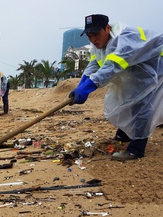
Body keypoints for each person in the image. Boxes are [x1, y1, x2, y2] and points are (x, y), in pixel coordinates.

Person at [69, 14, 163, 161]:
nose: (93, 40)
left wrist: (88, 87)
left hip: (155, 63)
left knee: (143, 102)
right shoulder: (100, 45)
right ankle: (124, 135)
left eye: (96, 34)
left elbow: (112, 66)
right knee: (126, 96)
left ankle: (136, 149)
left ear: (107, 28)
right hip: (138, 66)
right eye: (89, 36)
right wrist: (81, 85)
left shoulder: (125, 39)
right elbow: (95, 63)